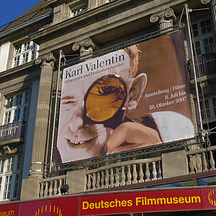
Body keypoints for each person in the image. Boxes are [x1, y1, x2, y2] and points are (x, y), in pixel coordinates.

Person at [57, 45, 194, 163]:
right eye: (68, 102)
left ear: (133, 93)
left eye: (104, 94)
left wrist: (159, 148)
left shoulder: (171, 128)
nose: (76, 124)